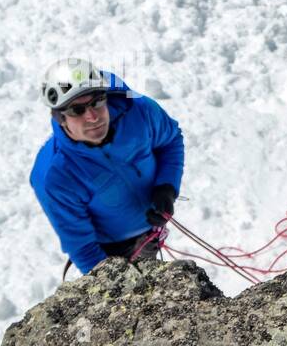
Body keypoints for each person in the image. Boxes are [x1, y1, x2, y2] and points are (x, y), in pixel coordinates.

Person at [30, 58, 184, 275]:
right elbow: (82, 247)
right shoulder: (56, 175)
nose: (92, 116)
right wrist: (113, 285)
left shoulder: (139, 111)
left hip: (151, 234)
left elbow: (170, 141)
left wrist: (166, 187)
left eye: (96, 101)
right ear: (60, 117)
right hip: (111, 253)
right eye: (77, 110)